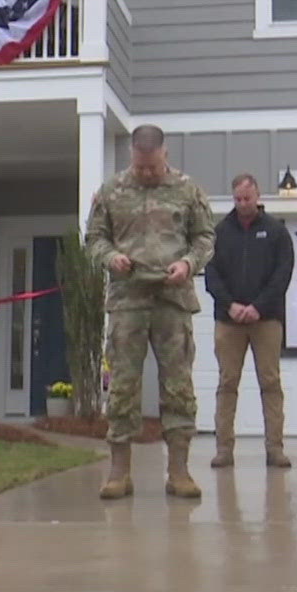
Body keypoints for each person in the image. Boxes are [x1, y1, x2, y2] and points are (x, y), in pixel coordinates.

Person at [85, 125, 217, 499]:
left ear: (165, 156)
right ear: (132, 157)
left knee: (178, 385)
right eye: (141, 168)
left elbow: (205, 237)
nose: (146, 174)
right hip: (128, 299)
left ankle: (179, 471)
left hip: (172, 299)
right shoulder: (111, 192)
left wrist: (189, 264)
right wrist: (112, 257)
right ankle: (118, 472)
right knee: (123, 385)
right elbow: (94, 237)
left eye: (153, 168)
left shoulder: (188, 190)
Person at [206, 174, 295, 468]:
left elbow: (283, 274)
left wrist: (258, 306)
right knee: (226, 383)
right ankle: (223, 449)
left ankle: (275, 449)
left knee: (270, 382)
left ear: (258, 196)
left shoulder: (276, 232)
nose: (243, 204)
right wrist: (230, 305)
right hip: (228, 321)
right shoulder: (219, 232)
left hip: (266, 320)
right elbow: (212, 276)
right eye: (237, 199)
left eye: (247, 198)